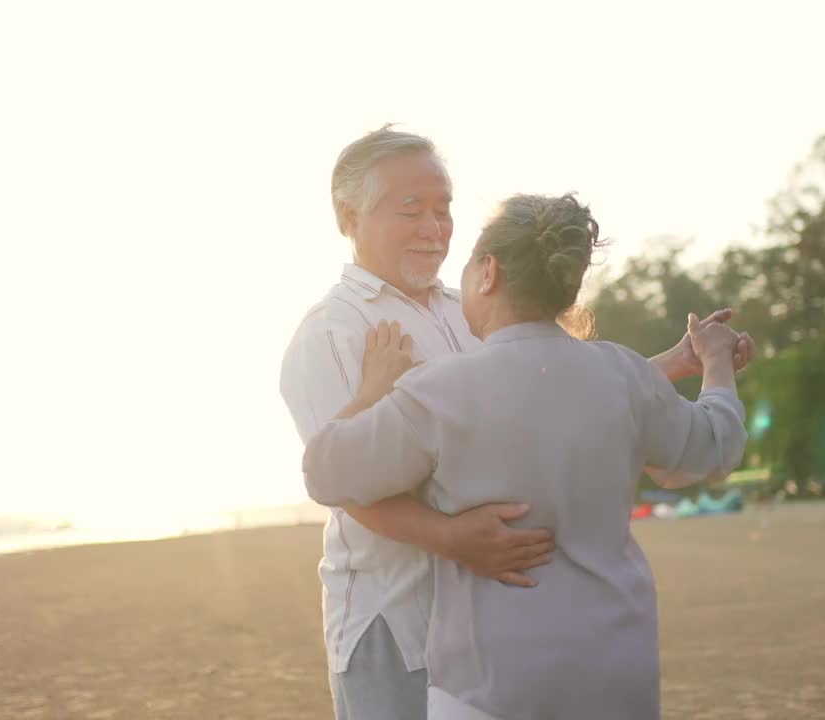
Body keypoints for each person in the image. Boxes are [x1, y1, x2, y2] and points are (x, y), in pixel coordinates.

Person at [280, 127, 752, 719]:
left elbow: (541, 392)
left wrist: (670, 365)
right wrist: (451, 539)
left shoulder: (467, 304)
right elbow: (344, 481)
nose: (435, 227)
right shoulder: (331, 330)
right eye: (412, 210)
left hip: (490, 617)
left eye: (444, 209)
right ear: (349, 215)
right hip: (393, 612)